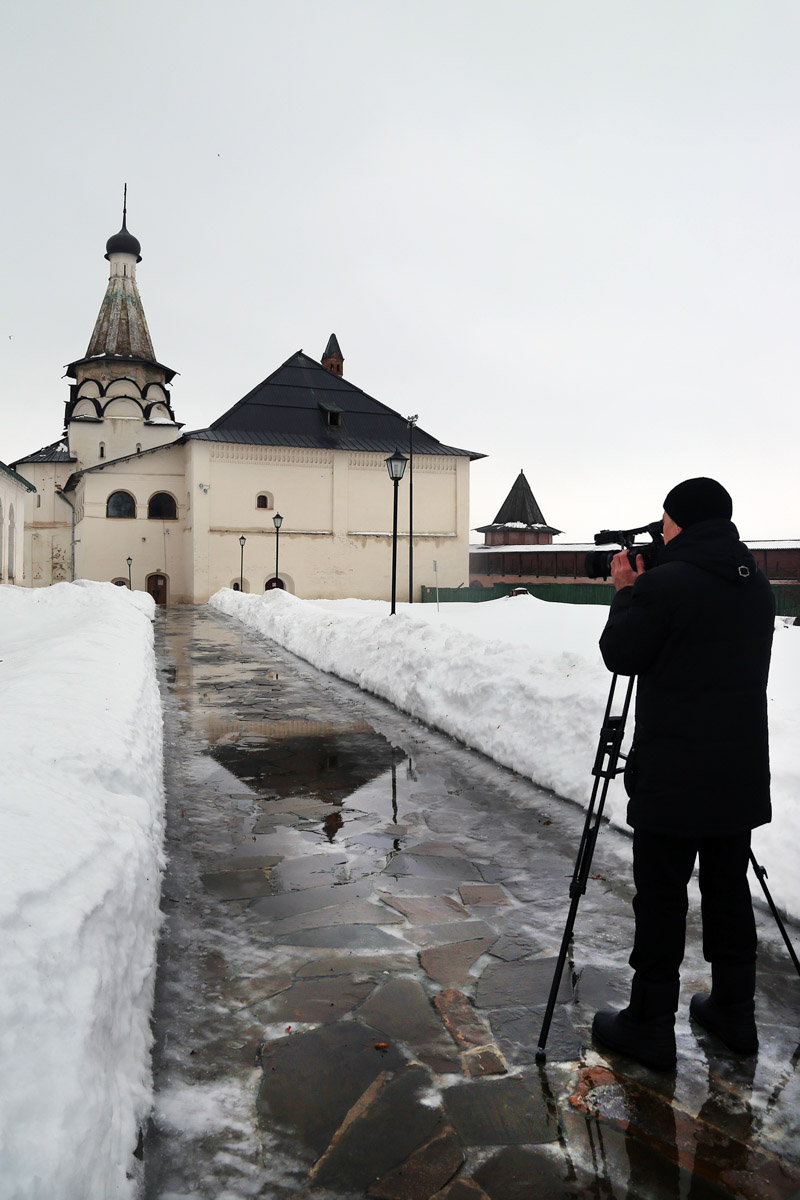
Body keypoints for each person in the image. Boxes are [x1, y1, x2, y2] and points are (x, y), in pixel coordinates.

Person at [592, 477, 775, 1071]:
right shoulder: (757, 584)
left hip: (673, 773)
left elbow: (622, 654)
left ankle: (648, 1024)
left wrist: (627, 591)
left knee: (663, 898)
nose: (661, 531)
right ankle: (734, 1013)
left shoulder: (663, 586)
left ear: (681, 523)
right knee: (728, 891)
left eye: (665, 522)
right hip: (738, 772)